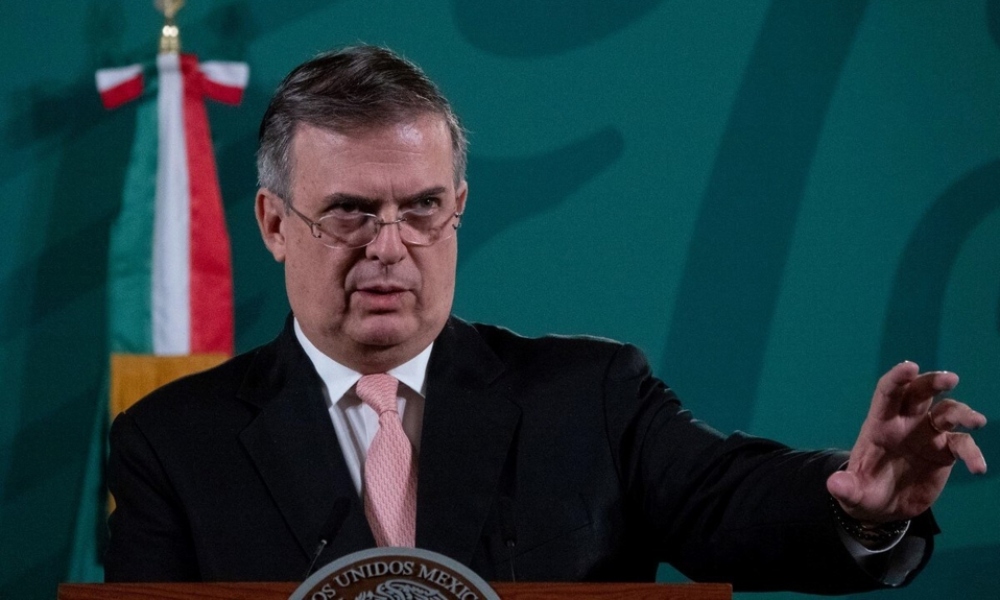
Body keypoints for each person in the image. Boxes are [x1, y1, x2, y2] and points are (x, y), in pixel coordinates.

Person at [104, 45, 987, 592]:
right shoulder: (170, 442)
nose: (389, 247)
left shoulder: (591, 396)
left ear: (459, 209)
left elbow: (728, 499)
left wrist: (863, 507)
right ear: (272, 224)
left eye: (421, 209)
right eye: (349, 212)